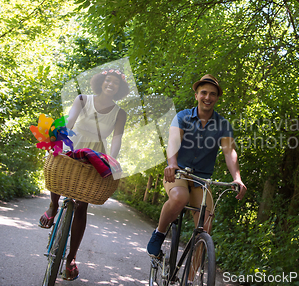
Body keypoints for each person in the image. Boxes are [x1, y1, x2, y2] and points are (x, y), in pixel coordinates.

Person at [39, 69, 129, 281]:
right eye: (108, 80)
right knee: (60, 168)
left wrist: (111, 159)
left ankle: (71, 258)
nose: (111, 84)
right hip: (75, 143)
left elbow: (117, 138)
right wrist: (57, 140)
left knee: (82, 204)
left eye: (115, 83)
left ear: (119, 89)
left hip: (96, 154)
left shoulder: (119, 113)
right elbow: (70, 120)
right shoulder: (83, 99)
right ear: (101, 82)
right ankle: (53, 205)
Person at [146, 74, 247, 260]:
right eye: (204, 93)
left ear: (217, 97)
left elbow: (229, 152)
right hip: (179, 173)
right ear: (196, 95)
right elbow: (173, 142)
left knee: (205, 228)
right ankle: (159, 233)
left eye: (212, 94)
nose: (208, 97)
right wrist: (172, 164)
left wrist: (237, 178)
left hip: (202, 180)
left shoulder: (223, 125)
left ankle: (191, 280)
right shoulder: (182, 117)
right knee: (179, 197)